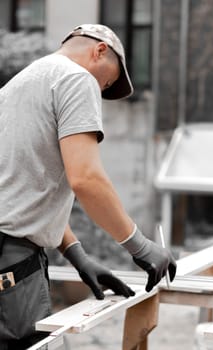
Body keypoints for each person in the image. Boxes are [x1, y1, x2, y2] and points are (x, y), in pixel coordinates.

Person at [0, 24, 176, 349]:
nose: (100, 89)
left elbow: (24, 189)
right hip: (10, 261)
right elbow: (86, 179)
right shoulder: (77, 78)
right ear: (99, 51)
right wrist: (139, 246)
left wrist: (76, 254)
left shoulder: (17, 86)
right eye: (105, 81)